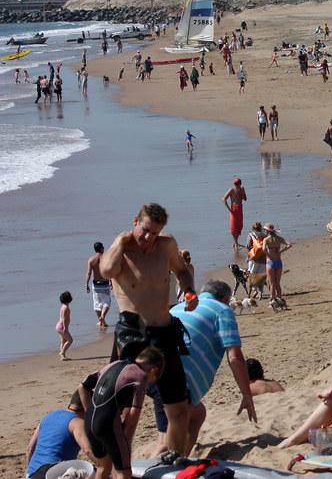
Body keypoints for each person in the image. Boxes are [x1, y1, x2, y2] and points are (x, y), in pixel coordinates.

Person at [100, 203, 196, 455]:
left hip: (164, 332)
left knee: (178, 407)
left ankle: (175, 461)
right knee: (121, 408)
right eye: (144, 230)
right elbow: (106, 270)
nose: (147, 237)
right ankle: (121, 465)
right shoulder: (122, 250)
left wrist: (189, 290)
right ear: (135, 221)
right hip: (132, 334)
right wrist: (121, 239)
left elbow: (182, 271)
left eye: (154, 232)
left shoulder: (166, 245)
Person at [150, 280, 258, 456]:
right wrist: (247, 395)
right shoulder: (222, 310)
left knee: (197, 413)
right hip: (175, 378)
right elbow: (234, 356)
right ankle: (154, 468)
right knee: (165, 442)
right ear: (224, 298)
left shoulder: (177, 307)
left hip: (151, 371)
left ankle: (181, 459)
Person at [79, 346, 164, 479]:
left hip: (89, 422)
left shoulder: (114, 364)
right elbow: (134, 413)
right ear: (153, 370)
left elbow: (82, 387)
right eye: (152, 379)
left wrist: (90, 412)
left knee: (103, 467)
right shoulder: (141, 377)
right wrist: (121, 431)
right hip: (107, 426)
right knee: (124, 472)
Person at [24, 392, 92, 479]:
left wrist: (28, 473)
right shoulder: (77, 423)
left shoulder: (49, 416)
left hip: (32, 474)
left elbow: (29, 449)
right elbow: (88, 451)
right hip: (54, 474)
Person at [263, 224, 292, 304]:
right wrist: (280, 252)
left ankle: (272, 301)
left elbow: (263, 249)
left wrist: (268, 255)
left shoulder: (266, 239)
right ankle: (279, 300)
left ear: (267, 231)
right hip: (278, 262)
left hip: (270, 262)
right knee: (278, 284)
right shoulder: (279, 239)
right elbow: (289, 244)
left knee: (271, 284)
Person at [86, 242, 112, 328]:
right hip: (105, 283)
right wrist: (111, 282)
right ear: (101, 249)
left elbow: (89, 273)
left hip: (96, 284)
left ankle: (100, 321)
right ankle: (103, 316)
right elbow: (109, 270)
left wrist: (86, 284)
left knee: (97, 303)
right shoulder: (106, 258)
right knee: (106, 301)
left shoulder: (91, 260)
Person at [222, 178, 248, 250]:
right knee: (233, 226)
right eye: (235, 184)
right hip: (233, 208)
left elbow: (245, 198)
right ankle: (236, 243)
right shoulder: (231, 190)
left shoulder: (242, 189)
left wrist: (240, 193)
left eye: (237, 184)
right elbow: (224, 199)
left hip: (240, 207)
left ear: (240, 184)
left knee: (239, 225)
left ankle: (235, 242)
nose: (236, 185)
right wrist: (229, 209)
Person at [56, 291, 73, 361]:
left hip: (59, 326)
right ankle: (62, 353)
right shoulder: (66, 308)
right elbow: (64, 318)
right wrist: (65, 327)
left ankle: (63, 356)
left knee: (63, 341)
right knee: (70, 340)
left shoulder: (63, 306)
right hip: (62, 327)